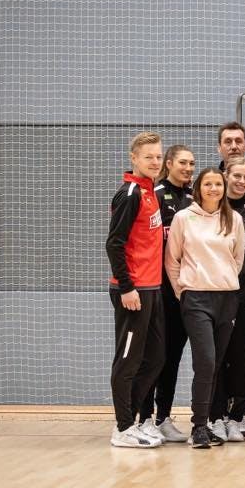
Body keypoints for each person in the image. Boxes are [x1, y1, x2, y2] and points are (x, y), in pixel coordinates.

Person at [165, 167, 244, 449]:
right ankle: (198, 426)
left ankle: (206, 423)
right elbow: (172, 260)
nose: (213, 189)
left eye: (218, 184)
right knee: (206, 362)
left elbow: (237, 259)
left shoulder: (233, 218)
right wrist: (182, 291)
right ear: (198, 188)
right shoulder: (183, 218)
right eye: (208, 184)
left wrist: (224, 280)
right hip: (196, 299)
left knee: (215, 365)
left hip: (227, 298)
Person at [106, 132, 166, 448]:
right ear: (134, 158)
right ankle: (123, 427)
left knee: (155, 357)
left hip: (152, 288)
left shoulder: (150, 191)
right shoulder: (129, 193)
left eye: (158, 156)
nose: (154, 161)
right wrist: (127, 287)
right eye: (148, 157)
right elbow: (114, 244)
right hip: (133, 291)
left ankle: (136, 421)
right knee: (127, 361)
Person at [139, 144, 195, 444]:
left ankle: (163, 417)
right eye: (183, 163)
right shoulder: (155, 195)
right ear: (169, 163)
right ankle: (144, 416)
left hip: (183, 291)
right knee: (154, 357)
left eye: (192, 164)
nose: (188, 168)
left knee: (172, 356)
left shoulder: (193, 199)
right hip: (155, 289)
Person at [210, 157, 245, 442]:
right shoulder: (212, 208)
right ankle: (215, 416)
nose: (240, 181)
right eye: (236, 175)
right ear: (225, 175)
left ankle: (237, 416)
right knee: (216, 356)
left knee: (242, 355)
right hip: (215, 294)